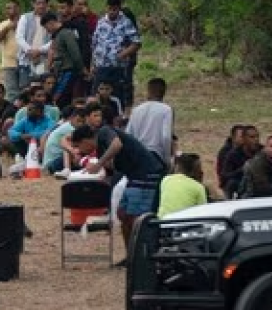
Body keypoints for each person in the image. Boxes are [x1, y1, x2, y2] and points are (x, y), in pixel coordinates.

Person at [79, 123, 167, 255]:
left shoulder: (104, 132)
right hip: (133, 177)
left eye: (78, 146)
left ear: (85, 141)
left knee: (137, 220)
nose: (79, 150)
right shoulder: (100, 150)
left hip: (146, 176)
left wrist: (98, 164)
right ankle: (131, 256)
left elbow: (117, 144)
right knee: (123, 214)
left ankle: (143, 256)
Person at [89, 0, 140, 114]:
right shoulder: (101, 22)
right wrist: (92, 63)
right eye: (110, 9)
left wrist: (124, 53)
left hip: (118, 66)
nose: (112, 12)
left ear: (119, 8)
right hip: (101, 65)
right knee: (97, 95)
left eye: (115, 9)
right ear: (106, 7)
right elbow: (94, 44)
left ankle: (117, 118)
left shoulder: (125, 22)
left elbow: (136, 43)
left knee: (117, 95)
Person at [126, 78, 175, 170]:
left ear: (148, 91)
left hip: (138, 154)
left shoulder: (137, 110)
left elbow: (128, 135)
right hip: (155, 155)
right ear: (164, 92)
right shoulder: (166, 110)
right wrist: (167, 159)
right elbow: (166, 137)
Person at [43, 14, 87, 110]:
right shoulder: (58, 35)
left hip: (69, 70)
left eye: (47, 28)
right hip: (61, 71)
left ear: (51, 23)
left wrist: (82, 68)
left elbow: (75, 53)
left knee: (60, 97)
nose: (47, 31)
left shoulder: (66, 33)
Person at [15, 0, 52, 90]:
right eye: (38, 3)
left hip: (44, 59)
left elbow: (54, 39)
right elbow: (19, 37)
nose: (41, 6)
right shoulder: (25, 17)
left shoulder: (52, 18)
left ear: (47, 4)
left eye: (43, 3)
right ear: (33, 4)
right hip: (26, 60)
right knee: (25, 89)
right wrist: (30, 50)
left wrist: (39, 50)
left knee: (42, 88)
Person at [43, 107, 88, 177]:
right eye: (78, 121)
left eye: (83, 122)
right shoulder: (70, 129)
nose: (80, 124)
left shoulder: (67, 125)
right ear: (71, 118)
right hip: (53, 163)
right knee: (71, 148)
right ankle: (67, 169)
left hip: (52, 162)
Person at [0, 0, 22, 101]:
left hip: (25, 62)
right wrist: (8, 27)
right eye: (7, 8)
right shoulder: (4, 24)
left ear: (18, 8)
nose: (9, 10)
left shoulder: (25, 22)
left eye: (12, 7)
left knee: (25, 90)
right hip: (9, 63)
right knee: (12, 92)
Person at [223, 125, 260, 199]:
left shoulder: (262, 152)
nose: (256, 140)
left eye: (257, 137)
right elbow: (225, 175)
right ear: (244, 139)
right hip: (240, 185)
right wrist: (242, 169)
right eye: (252, 137)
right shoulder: (233, 154)